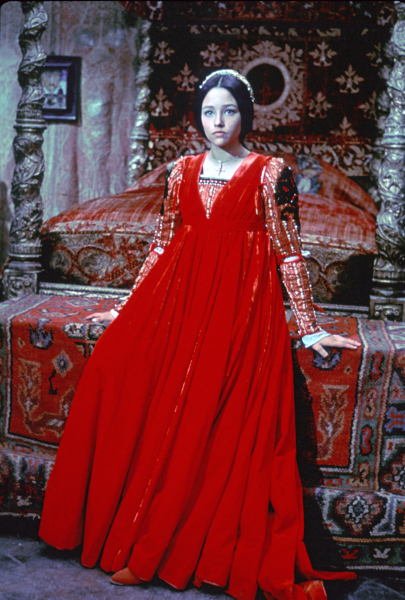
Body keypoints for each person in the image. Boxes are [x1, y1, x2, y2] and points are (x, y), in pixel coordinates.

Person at [39, 69, 360, 600]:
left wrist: (308, 330)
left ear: (245, 116)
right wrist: (126, 310)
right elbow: (162, 245)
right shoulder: (180, 171)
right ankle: (118, 528)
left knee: (210, 415)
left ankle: (180, 548)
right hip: (179, 299)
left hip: (240, 310)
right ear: (198, 117)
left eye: (229, 111)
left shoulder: (270, 173)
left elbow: (289, 253)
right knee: (112, 367)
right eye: (209, 112)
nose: (219, 121)